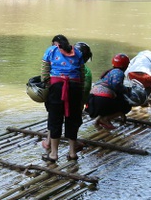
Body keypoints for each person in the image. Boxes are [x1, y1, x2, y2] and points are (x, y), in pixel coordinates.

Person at [41, 34, 85, 163]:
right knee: (73, 118)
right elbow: (81, 75)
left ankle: (54, 154)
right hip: (75, 88)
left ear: (55, 43)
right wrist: (81, 92)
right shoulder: (77, 52)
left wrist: (47, 87)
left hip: (57, 87)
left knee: (55, 119)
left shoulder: (51, 50)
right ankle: (72, 153)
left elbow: (44, 73)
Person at [87, 53, 131, 130]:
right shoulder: (119, 72)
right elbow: (116, 85)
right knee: (126, 105)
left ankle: (99, 120)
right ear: (126, 65)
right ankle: (106, 119)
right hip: (102, 101)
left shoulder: (109, 72)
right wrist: (127, 90)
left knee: (114, 99)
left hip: (91, 102)